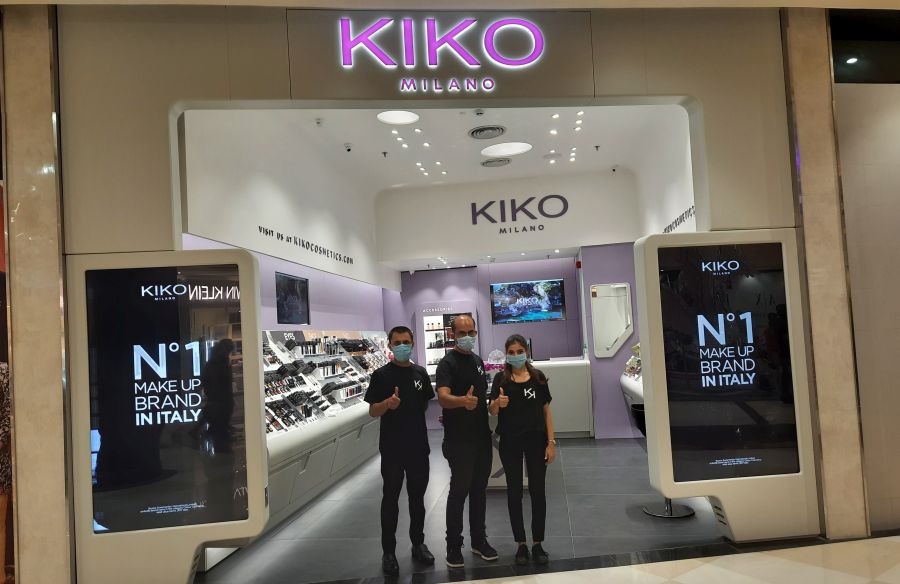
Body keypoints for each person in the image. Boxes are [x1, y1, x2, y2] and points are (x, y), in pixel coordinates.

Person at [364, 326, 436, 576]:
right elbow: (373, 411)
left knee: (418, 499)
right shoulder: (381, 375)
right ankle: (389, 552)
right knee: (391, 499)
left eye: (406, 341)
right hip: (393, 448)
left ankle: (418, 544)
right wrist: (388, 404)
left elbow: (424, 403)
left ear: (413, 343)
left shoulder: (420, 373)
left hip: (418, 446)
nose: (402, 346)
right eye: (397, 342)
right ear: (390, 345)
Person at [436, 315, 497, 568]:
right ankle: (453, 545)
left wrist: (492, 405)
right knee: (459, 491)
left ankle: (479, 540)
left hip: (481, 437)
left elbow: (481, 397)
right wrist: (462, 401)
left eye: (471, 332)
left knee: (479, 491)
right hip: (459, 440)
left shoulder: (478, 361)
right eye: (462, 333)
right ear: (452, 335)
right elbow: (442, 397)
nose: (467, 337)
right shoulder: (447, 364)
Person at [489, 334, 556, 566]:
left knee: (538, 491)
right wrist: (497, 404)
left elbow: (547, 412)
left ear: (526, 352)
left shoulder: (538, 378)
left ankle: (537, 543)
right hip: (510, 443)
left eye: (520, 351)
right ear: (506, 354)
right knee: (514, 492)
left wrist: (551, 442)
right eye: (511, 352)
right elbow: (492, 411)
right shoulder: (501, 380)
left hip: (537, 442)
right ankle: (521, 544)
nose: (516, 355)